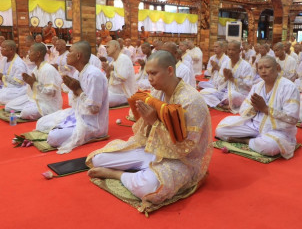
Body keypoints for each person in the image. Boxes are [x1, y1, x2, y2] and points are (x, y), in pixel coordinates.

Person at [86, 50, 212, 207]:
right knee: (98, 159)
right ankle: (141, 171)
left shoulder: (192, 101)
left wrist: (154, 122)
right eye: (148, 74)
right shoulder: (157, 91)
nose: (150, 79)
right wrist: (145, 119)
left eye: (154, 73)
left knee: (147, 188)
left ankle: (118, 175)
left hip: (182, 161)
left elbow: (187, 148)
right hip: (153, 149)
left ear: (170, 71)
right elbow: (143, 135)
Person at [215, 56, 300, 159]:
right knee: (220, 130)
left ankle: (246, 140)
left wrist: (265, 109)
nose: (263, 71)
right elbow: (243, 109)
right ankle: (256, 140)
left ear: (277, 68)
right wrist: (254, 108)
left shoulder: (289, 87)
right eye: (260, 68)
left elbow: (292, 119)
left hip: (277, 130)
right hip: (254, 125)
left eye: (267, 67)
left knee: (269, 147)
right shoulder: (257, 86)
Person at [36, 41, 109, 154]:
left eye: (70, 52)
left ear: (78, 55)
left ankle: (89, 134)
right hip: (77, 114)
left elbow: (94, 109)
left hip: (93, 124)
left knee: (53, 137)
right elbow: (74, 103)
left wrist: (78, 90)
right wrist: (74, 91)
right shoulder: (77, 73)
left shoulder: (94, 75)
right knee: (41, 123)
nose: (67, 55)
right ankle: (65, 128)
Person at [5, 43, 63, 120]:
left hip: (47, 104)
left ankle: (31, 109)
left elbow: (51, 92)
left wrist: (33, 83)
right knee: (9, 106)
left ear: (38, 54)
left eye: (30, 51)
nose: (28, 54)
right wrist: (30, 82)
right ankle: (29, 107)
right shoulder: (36, 69)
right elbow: (32, 90)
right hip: (34, 98)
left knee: (25, 113)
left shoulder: (48, 69)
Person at [200, 40, 253, 113]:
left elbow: (249, 86)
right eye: (229, 49)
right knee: (203, 93)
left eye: (233, 50)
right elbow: (217, 82)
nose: (230, 52)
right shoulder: (226, 63)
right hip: (224, 92)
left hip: (239, 94)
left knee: (232, 95)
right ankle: (221, 104)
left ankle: (221, 104)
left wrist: (233, 79)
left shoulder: (246, 66)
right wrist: (225, 78)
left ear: (239, 50)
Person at [102, 40, 136, 107]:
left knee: (100, 100)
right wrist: (107, 72)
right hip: (112, 92)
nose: (106, 49)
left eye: (108, 47)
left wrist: (110, 71)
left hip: (124, 94)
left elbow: (122, 78)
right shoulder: (112, 62)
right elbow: (107, 80)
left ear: (115, 47)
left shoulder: (124, 59)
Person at [0, 40, 28, 104]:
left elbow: (19, 82)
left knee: (2, 97)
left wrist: (3, 77)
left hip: (17, 89)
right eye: (1, 47)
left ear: (11, 50)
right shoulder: (4, 59)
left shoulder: (18, 64)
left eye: (3, 48)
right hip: (6, 87)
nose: (1, 49)